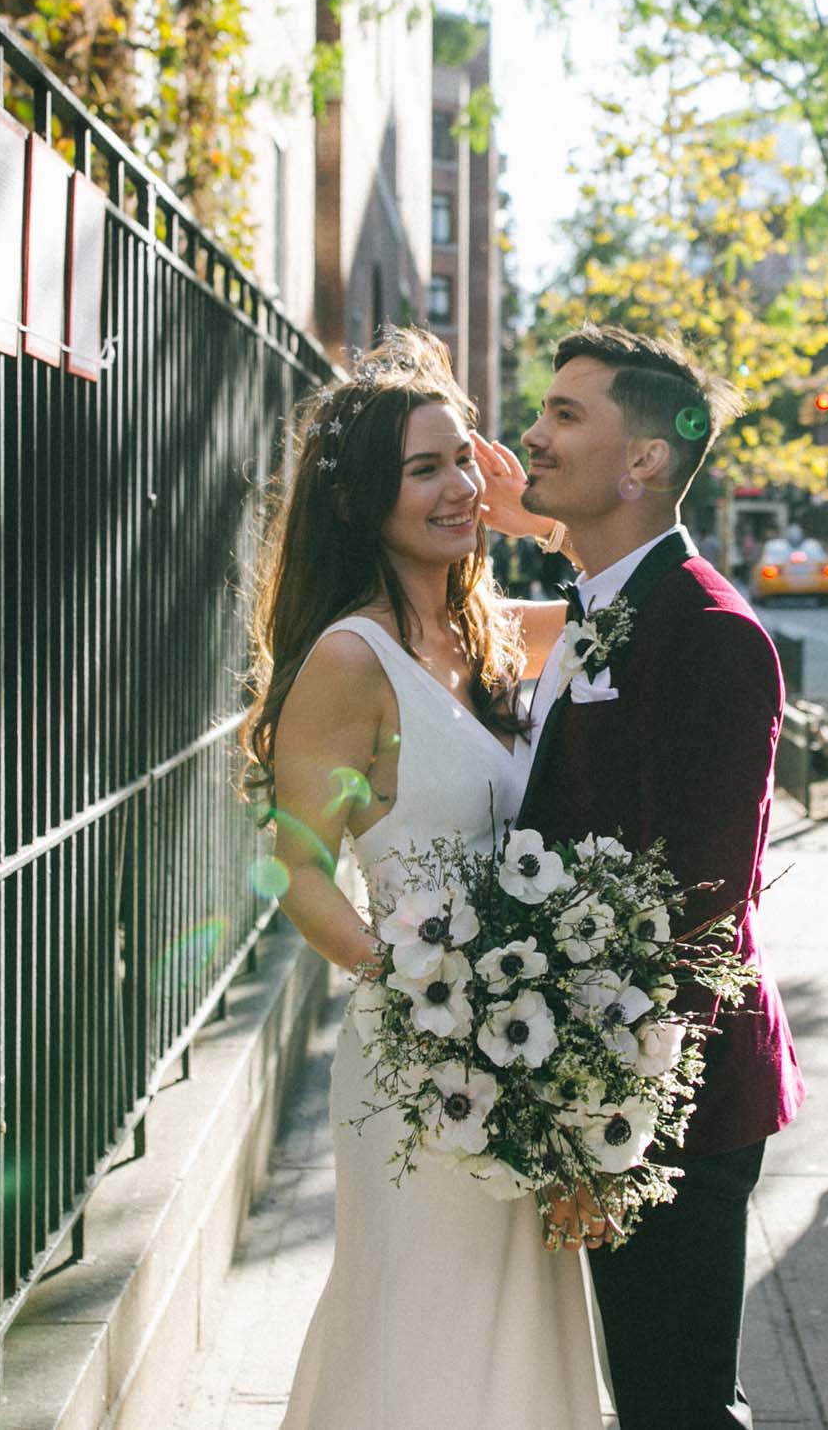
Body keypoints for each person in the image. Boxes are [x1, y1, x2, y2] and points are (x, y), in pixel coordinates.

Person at [242, 329, 599, 1428]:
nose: (458, 485)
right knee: (425, 1333)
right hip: (419, 1059)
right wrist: (407, 982)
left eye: (465, 456)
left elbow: (627, 619)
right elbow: (291, 865)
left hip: (523, 1050)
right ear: (363, 496)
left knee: (514, 1337)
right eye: (424, 467)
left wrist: (539, 523)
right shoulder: (351, 659)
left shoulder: (489, 628)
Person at [502, 323, 806, 1430]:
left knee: (677, 1406)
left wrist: (608, 1120)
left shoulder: (709, 631)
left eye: (564, 415)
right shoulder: (603, 599)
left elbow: (698, 910)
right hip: (594, 1075)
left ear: (643, 461)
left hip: (669, 1095)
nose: (531, 433)